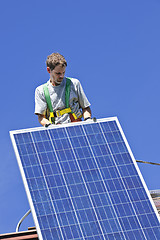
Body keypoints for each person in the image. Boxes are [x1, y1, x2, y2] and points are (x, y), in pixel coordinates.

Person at [35, 52, 92, 127]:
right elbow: (41, 117)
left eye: (63, 72)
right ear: (49, 70)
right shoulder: (41, 91)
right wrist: (51, 127)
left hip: (77, 127)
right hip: (57, 131)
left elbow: (86, 108)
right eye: (58, 73)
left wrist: (87, 120)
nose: (61, 76)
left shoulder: (74, 83)